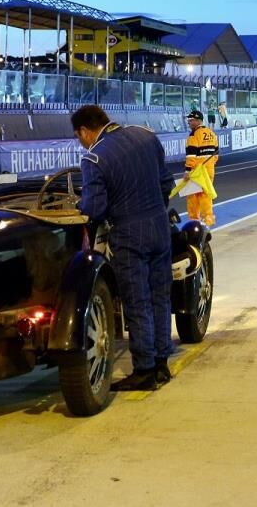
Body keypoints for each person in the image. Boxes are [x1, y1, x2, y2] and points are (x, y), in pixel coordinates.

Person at [74, 104, 177, 389]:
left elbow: (94, 209)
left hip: (129, 234)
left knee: (137, 300)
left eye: (79, 136)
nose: (82, 142)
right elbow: (166, 183)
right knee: (160, 296)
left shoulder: (94, 158)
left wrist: (81, 204)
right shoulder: (146, 137)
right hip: (159, 226)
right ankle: (161, 364)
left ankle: (143, 369)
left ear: (84, 131)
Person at [183, 109, 219, 226]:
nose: (189, 122)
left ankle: (194, 221)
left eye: (191, 120)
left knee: (192, 197)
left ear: (198, 121)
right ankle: (208, 219)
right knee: (206, 195)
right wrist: (210, 165)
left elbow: (191, 155)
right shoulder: (211, 133)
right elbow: (216, 154)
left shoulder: (194, 135)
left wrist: (188, 170)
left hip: (197, 171)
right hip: (209, 169)